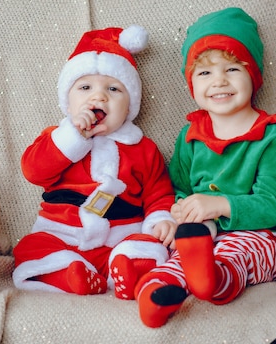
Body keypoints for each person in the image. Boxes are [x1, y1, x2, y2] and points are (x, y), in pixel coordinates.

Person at [134, 7, 276, 327]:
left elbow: (273, 205)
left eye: (232, 69)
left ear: (253, 75)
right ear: (191, 84)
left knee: (237, 255)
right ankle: (155, 296)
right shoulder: (190, 136)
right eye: (205, 73)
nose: (219, 81)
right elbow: (177, 188)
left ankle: (213, 280)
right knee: (175, 260)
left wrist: (218, 204)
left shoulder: (272, 137)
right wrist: (176, 213)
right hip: (201, 236)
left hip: (255, 234)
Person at [13, 25, 177, 300]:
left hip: (119, 238)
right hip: (63, 234)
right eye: (85, 87)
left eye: (113, 89)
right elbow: (33, 171)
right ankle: (68, 274)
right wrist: (71, 137)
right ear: (68, 101)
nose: (98, 96)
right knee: (31, 248)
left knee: (147, 246)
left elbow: (159, 193)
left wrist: (160, 219)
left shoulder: (143, 148)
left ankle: (126, 270)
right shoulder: (56, 139)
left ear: (130, 106)